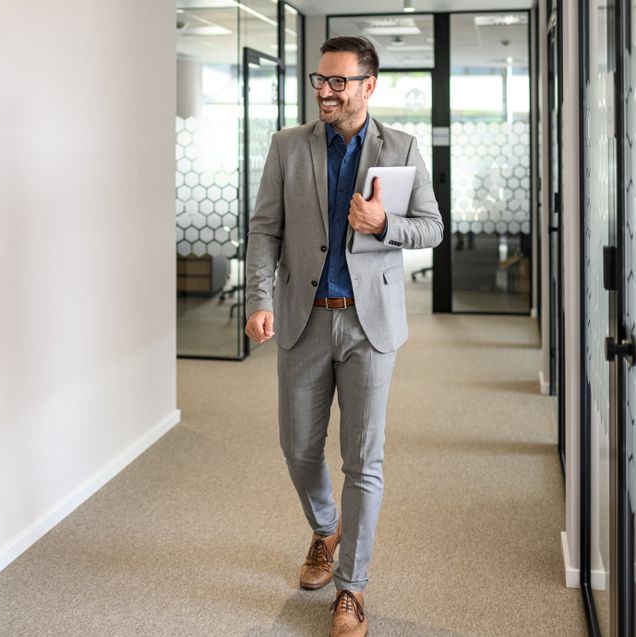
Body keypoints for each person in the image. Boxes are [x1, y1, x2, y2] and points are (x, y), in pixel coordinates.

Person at [244, 36, 442, 637]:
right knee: (298, 448)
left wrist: (387, 224)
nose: (325, 92)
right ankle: (325, 528)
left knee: (364, 460)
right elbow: (264, 230)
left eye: (338, 82)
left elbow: (432, 227)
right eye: (319, 81)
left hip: (369, 325)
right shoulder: (287, 145)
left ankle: (352, 588)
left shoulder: (401, 148)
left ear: (368, 86)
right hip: (303, 319)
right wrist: (257, 298)